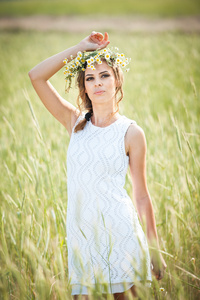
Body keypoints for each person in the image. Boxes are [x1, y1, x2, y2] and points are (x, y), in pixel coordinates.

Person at [28, 31, 167, 299]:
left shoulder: (131, 132)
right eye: (90, 78)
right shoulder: (75, 122)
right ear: (84, 86)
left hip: (121, 232)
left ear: (117, 81)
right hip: (82, 235)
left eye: (104, 75)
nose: (98, 83)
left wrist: (155, 248)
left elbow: (141, 195)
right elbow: (36, 76)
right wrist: (80, 48)